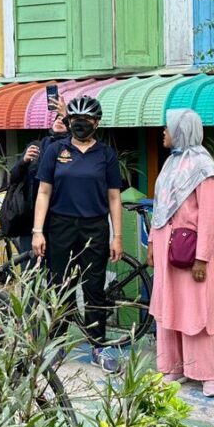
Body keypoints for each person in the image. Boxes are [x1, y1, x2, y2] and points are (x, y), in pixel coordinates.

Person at [32, 95, 124, 373]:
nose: (80, 124)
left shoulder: (106, 154)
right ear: (68, 120)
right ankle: (57, 342)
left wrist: (117, 235)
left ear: (96, 123)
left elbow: (114, 197)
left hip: (94, 227)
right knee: (58, 285)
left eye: (86, 120)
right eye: (75, 119)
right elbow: (43, 192)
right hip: (59, 225)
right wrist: (38, 231)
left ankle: (98, 344)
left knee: (94, 288)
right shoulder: (55, 150)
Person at [147, 109, 214, 397]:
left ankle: (206, 374)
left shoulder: (203, 167)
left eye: (167, 128)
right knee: (170, 307)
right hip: (168, 248)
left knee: (198, 311)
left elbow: (209, 215)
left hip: (192, 251)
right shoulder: (171, 164)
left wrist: (202, 257)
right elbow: (160, 209)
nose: (163, 133)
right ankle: (173, 367)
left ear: (181, 130)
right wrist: (153, 245)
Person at [7, 101, 69, 254]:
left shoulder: (72, 149)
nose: (60, 121)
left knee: (58, 269)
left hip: (60, 219)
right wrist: (24, 161)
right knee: (30, 268)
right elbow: (13, 178)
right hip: (31, 217)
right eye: (57, 118)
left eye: (64, 119)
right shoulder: (37, 145)